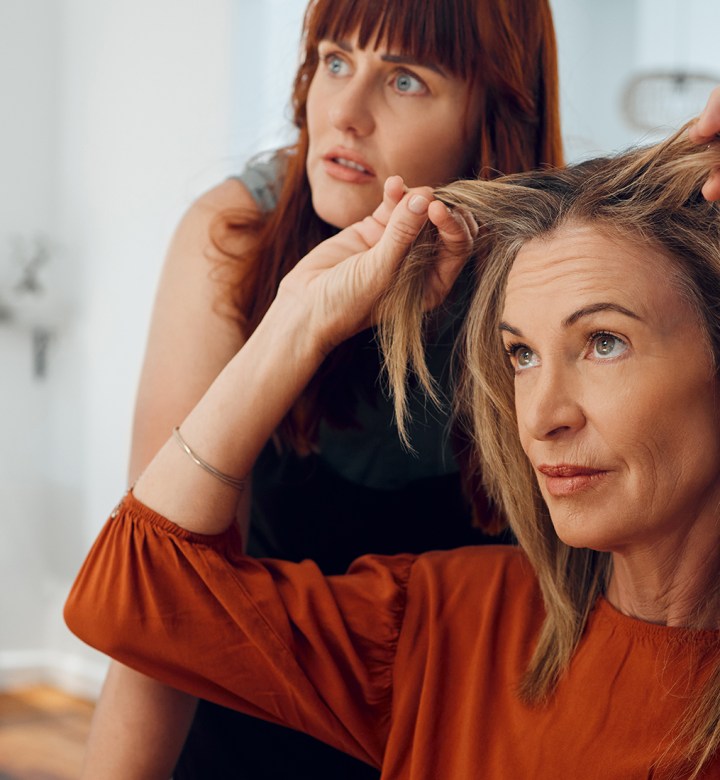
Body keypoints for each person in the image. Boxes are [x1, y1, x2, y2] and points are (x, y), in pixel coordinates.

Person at [65, 93, 720, 778]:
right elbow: (132, 598)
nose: (542, 415)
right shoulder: (449, 624)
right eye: (520, 355)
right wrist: (301, 319)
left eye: (603, 341)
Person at [82, 0, 563, 777]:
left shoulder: (553, 265)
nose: (344, 113)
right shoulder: (236, 231)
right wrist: (298, 324)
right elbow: (159, 597)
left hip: (464, 728)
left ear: (495, 118)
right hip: (247, 709)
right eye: (335, 60)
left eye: (404, 80)